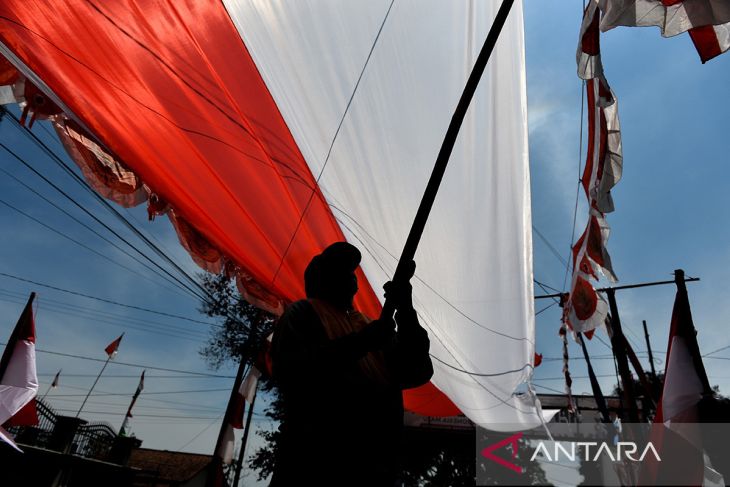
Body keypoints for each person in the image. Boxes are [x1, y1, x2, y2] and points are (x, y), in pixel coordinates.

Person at [270, 242, 433, 486]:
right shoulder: (303, 312)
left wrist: (406, 309)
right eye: (339, 270)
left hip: (375, 468)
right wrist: (364, 341)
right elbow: (295, 371)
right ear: (320, 278)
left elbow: (417, 369)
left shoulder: (367, 324)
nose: (349, 276)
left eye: (350, 271)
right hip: (315, 465)